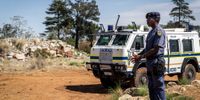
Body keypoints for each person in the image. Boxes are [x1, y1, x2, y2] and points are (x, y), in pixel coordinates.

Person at [131, 12, 166, 100]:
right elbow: (147, 49)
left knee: (158, 86)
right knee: (151, 87)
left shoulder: (159, 31)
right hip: (150, 63)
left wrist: (141, 56)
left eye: (149, 18)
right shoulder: (151, 32)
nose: (147, 20)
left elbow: (155, 49)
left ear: (155, 19)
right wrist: (138, 56)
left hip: (156, 62)